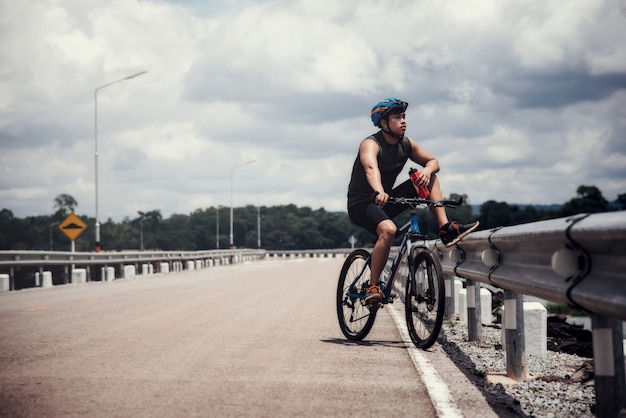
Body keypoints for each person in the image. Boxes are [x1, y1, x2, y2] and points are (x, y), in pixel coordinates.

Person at [347, 98, 479, 305]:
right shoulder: (370, 144)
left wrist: (426, 170)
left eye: (404, 117)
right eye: (397, 117)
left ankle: (445, 228)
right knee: (389, 230)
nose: (403, 121)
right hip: (363, 203)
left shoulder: (406, 144)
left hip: (386, 200)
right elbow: (371, 168)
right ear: (383, 123)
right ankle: (373, 286)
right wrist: (379, 190)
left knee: (429, 177)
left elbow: (433, 162)